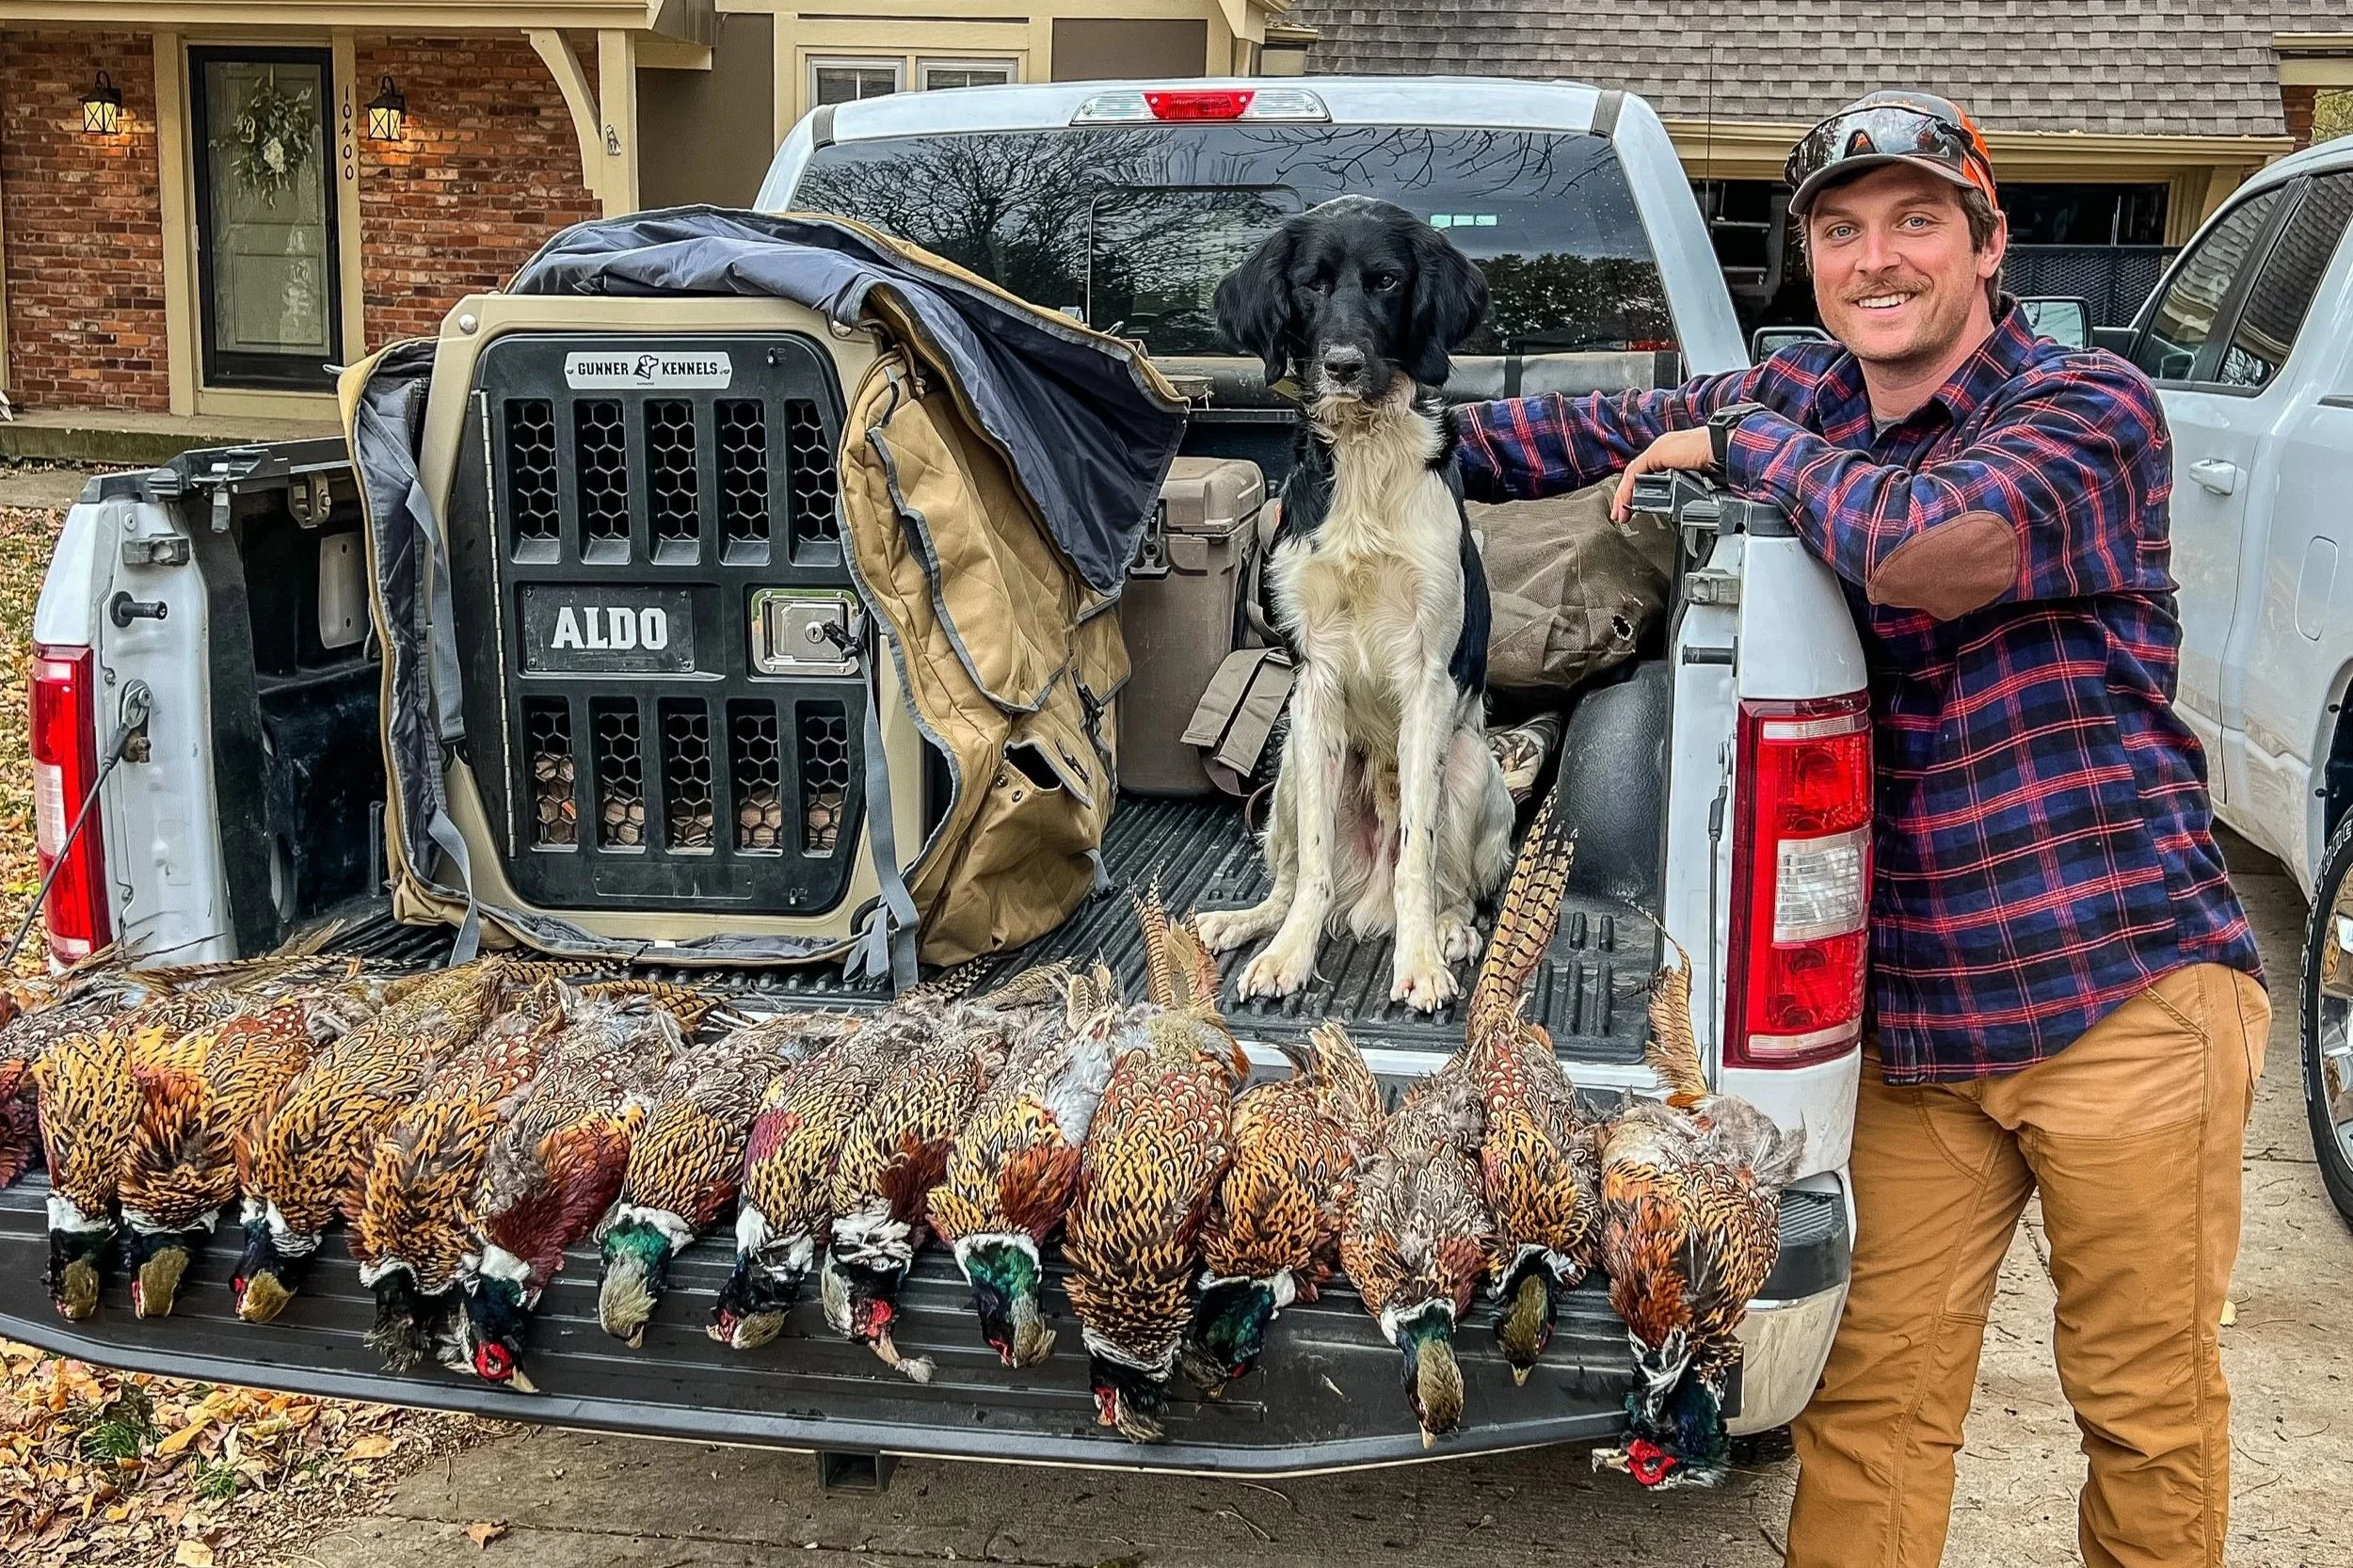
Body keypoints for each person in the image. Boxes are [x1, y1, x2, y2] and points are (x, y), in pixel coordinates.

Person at [1452, 90, 2268, 1568]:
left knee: (2143, 1414)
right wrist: (1370, 439)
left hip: (2126, 997)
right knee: (1873, 1407)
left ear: (1986, 243)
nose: (1875, 258)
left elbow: (1926, 551)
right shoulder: (1814, 397)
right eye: (1841, 229)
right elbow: (1577, 427)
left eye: (1914, 222)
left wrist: (1743, 448)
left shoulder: (2089, 411)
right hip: (1922, 1031)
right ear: (1811, 257)